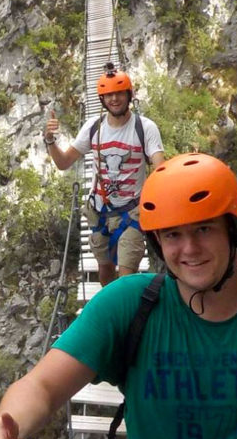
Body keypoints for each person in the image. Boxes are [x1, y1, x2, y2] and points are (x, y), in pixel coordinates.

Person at [0, 153, 237, 439]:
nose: (190, 249)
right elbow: (42, 386)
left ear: (231, 229)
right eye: (173, 235)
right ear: (158, 243)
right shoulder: (128, 305)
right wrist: (11, 426)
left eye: (204, 229)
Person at [43, 63, 165, 285]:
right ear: (102, 99)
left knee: (126, 279)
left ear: (130, 95)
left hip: (133, 212)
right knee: (105, 272)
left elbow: (160, 168)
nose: (114, 99)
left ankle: (125, 317)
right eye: (108, 95)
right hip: (101, 210)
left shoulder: (145, 128)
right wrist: (50, 140)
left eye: (119, 93)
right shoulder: (93, 127)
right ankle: (111, 313)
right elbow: (63, 163)